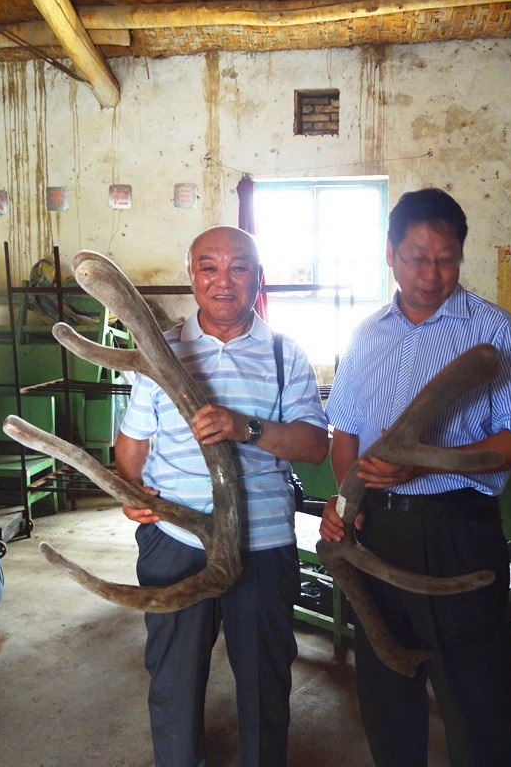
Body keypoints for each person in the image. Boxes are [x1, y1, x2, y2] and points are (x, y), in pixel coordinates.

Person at [320, 188, 511, 767]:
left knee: (473, 698)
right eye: (416, 258)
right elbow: (344, 434)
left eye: (446, 259)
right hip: (375, 533)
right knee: (387, 687)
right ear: (390, 254)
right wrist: (347, 503)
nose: (430, 274)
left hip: (456, 533)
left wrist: (424, 463)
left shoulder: (494, 331)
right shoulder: (367, 334)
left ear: (461, 256)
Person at [115, 225, 329, 767]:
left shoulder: (284, 354)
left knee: (263, 683)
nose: (223, 280)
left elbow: (313, 445)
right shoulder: (160, 352)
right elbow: (131, 444)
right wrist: (131, 491)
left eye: (239, 267)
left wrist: (246, 428)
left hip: (263, 541)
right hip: (176, 539)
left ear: (258, 276)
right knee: (174, 679)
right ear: (191, 275)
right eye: (208, 267)